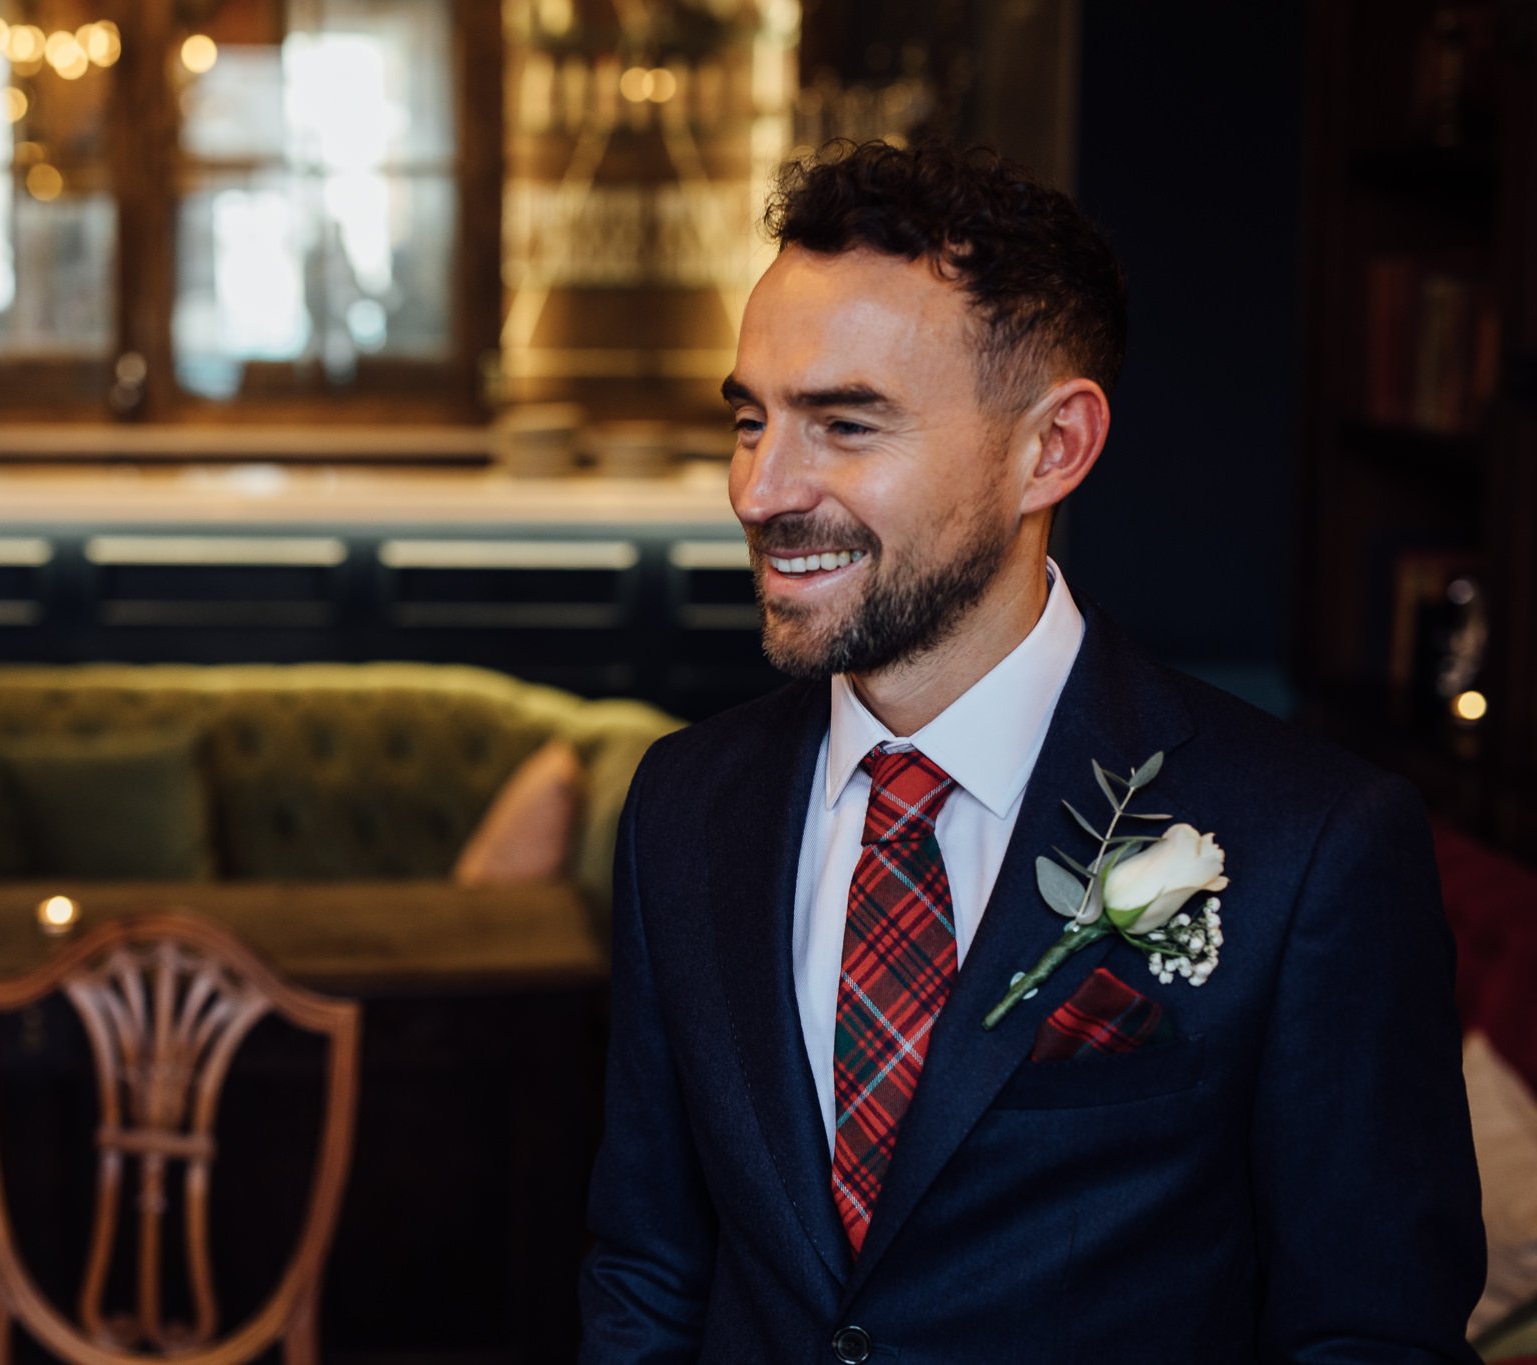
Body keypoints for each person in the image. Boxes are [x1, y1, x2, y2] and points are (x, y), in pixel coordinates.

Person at [579, 139, 1484, 1364]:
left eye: (844, 425)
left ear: (1049, 449)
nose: (759, 488)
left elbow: (1366, 1334)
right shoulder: (682, 804)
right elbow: (646, 1267)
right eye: (751, 419)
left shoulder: (1308, 844)